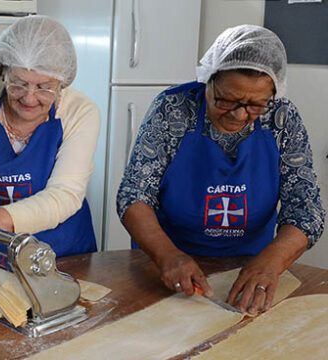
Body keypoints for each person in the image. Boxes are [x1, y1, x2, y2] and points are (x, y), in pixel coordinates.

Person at [117, 25, 325, 314]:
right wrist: (167, 256)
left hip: (252, 267)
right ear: (207, 80)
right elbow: (133, 196)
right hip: (167, 265)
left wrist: (271, 263)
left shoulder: (282, 119)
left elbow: (306, 212)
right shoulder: (173, 109)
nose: (239, 114)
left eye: (255, 105)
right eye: (226, 99)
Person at [0, 15, 100, 257]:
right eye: (18, 84)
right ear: (3, 72)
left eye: (44, 87)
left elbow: (65, 194)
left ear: (62, 81)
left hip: (62, 255)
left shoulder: (80, 111)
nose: (29, 98)